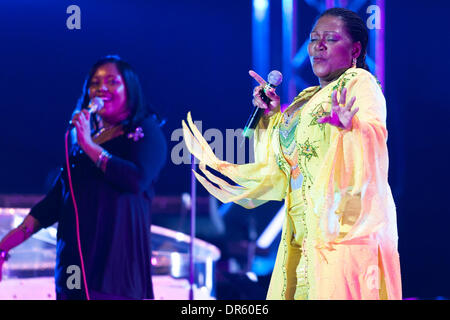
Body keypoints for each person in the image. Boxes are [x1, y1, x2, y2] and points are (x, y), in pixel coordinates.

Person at [182, 8, 401, 300]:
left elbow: (374, 134)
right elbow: (278, 168)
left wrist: (352, 127)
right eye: (313, 38)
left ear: (356, 49)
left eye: (331, 38)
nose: (318, 46)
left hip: (339, 238)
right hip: (301, 237)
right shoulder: (304, 99)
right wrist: (271, 116)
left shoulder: (359, 83)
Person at [0, 55, 167, 300]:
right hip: (74, 267)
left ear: (130, 88)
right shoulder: (80, 142)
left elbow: (136, 179)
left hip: (116, 270)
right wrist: (6, 244)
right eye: (95, 83)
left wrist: (89, 145)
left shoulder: (144, 133)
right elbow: (56, 201)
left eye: (112, 82)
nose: (101, 89)